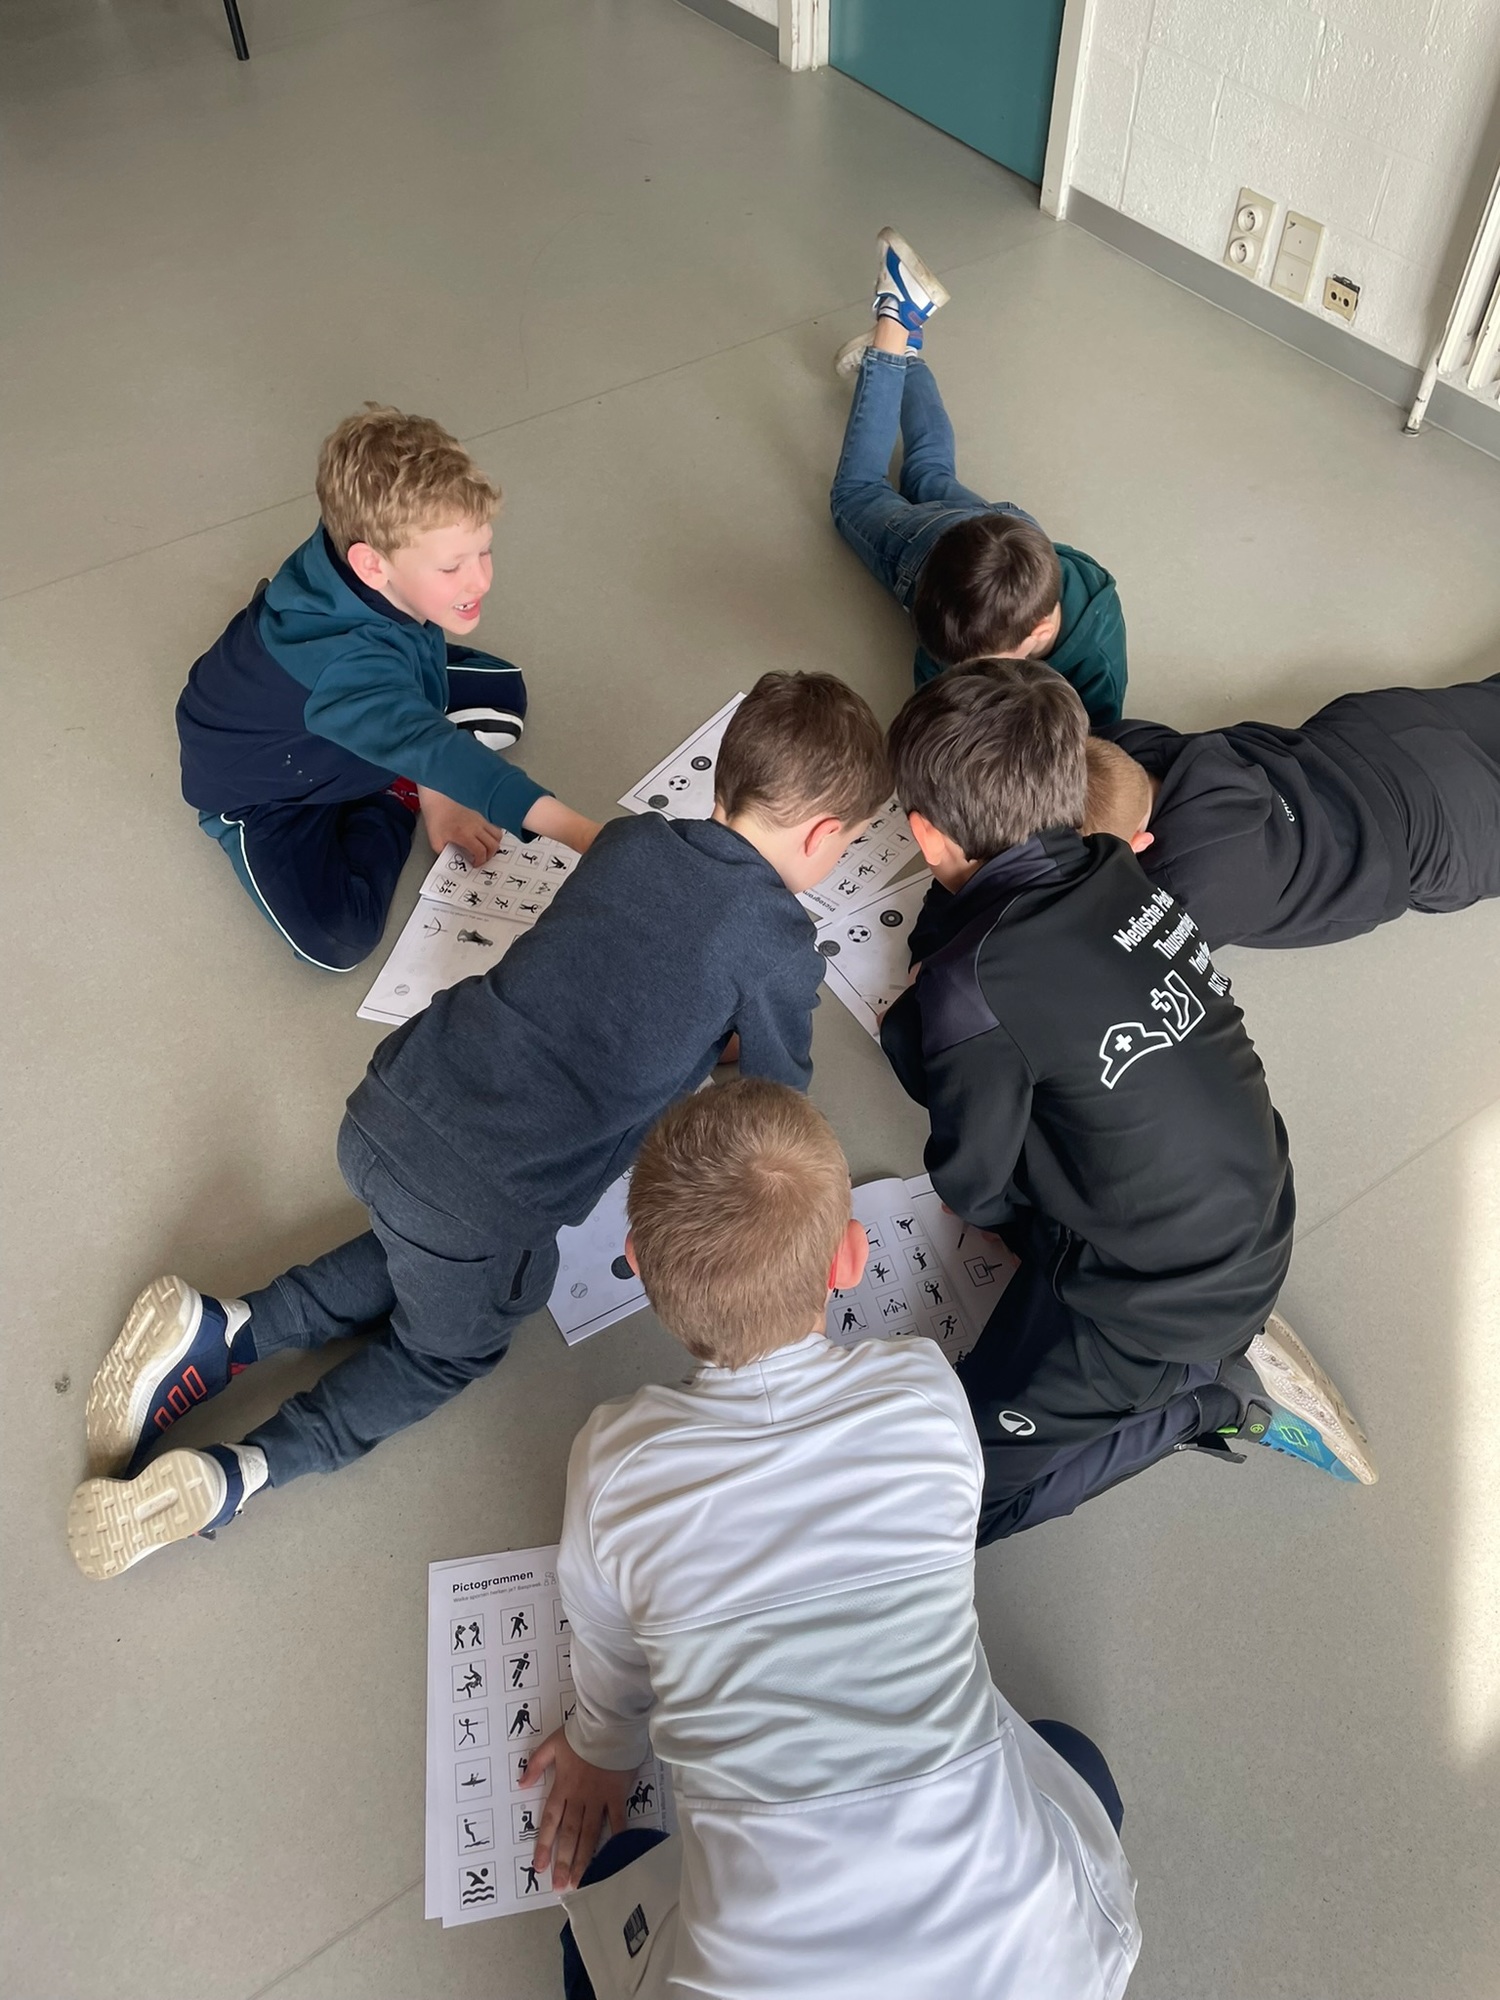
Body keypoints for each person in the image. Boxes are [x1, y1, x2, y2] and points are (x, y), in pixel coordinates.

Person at [66, 673, 892, 1579]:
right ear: (823, 836)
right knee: (450, 1346)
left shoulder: (631, 839)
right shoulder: (778, 946)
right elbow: (775, 1113)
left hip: (394, 1099)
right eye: (852, 842)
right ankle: (242, 1471)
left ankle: (228, 1326)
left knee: (423, 1249)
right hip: (485, 1195)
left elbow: (638, 953)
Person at [520, 1079, 1141, 2000]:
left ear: (638, 1269)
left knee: (604, 1897)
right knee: (1075, 1765)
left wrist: (601, 1747)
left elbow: (609, 1646)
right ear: (850, 1257)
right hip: (1036, 1960)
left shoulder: (613, 1460)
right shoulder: (924, 1392)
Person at [878, 661, 1377, 1545]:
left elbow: (970, 1186)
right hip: (1250, 1208)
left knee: (949, 1505)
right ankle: (1197, 1347)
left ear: (924, 835)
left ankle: (1207, 1402)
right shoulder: (1114, 863)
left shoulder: (971, 987)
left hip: (1156, 1311)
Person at [176, 403, 601, 971]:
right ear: (372, 565)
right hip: (274, 787)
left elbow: (415, 692)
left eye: (484, 550)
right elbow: (432, 741)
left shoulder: (358, 546)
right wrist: (585, 835)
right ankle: (394, 791)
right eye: (451, 567)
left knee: (506, 696)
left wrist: (443, 793)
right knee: (338, 938)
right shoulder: (346, 666)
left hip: (361, 697)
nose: (480, 580)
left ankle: (407, 765)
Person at [828, 227, 1127, 724]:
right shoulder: (1089, 636)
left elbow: (1098, 738)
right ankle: (897, 334)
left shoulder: (1092, 645)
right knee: (869, 490)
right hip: (949, 546)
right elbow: (938, 707)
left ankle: (902, 341)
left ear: (1037, 633)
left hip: (1010, 532)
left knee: (919, 474)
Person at [1080, 672, 1500, 948]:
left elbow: (1098, 954)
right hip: (1370, 729)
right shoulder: (1130, 742)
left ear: (1138, 843)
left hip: (1427, 830)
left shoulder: (1184, 888)